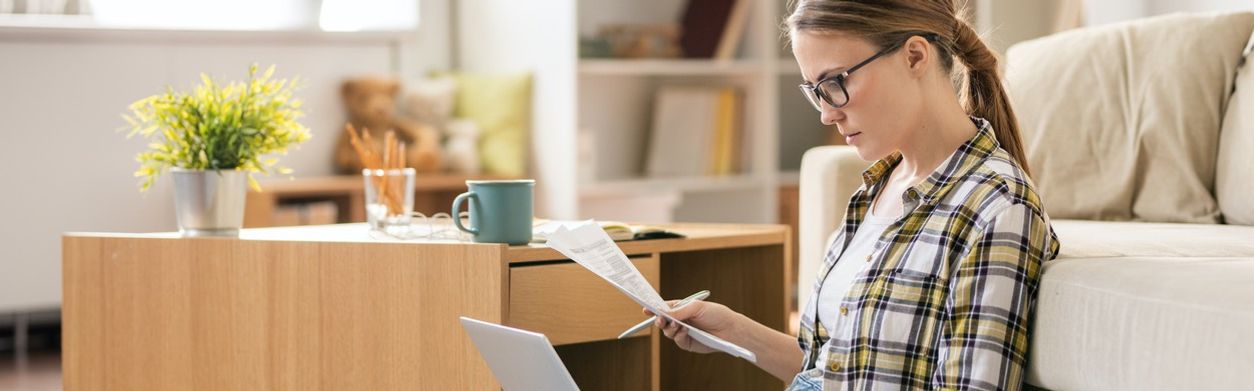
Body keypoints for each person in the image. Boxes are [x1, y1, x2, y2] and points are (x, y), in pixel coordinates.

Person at [650, 1, 1060, 389]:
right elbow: (836, 368)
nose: (827, 112)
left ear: (915, 57)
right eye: (815, 91)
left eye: (835, 82)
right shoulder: (877, 190)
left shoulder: (998, 207)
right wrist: (734, 331)